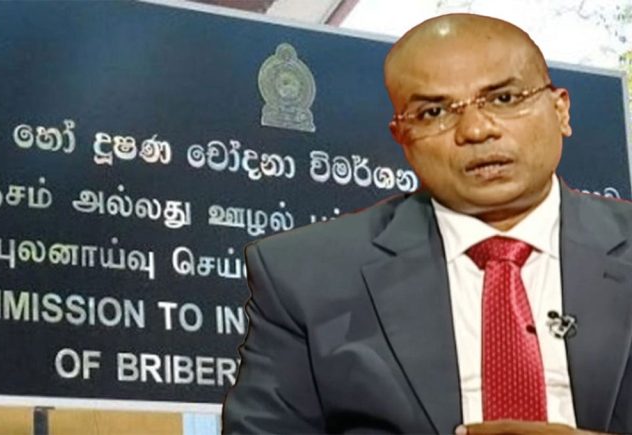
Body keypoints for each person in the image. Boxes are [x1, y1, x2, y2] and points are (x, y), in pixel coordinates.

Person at [222, 13, 632, 435]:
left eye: (504, 98)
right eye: (434, 112)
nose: (476, 130)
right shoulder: (307, 278)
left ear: (560, 110)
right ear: (402, 137)